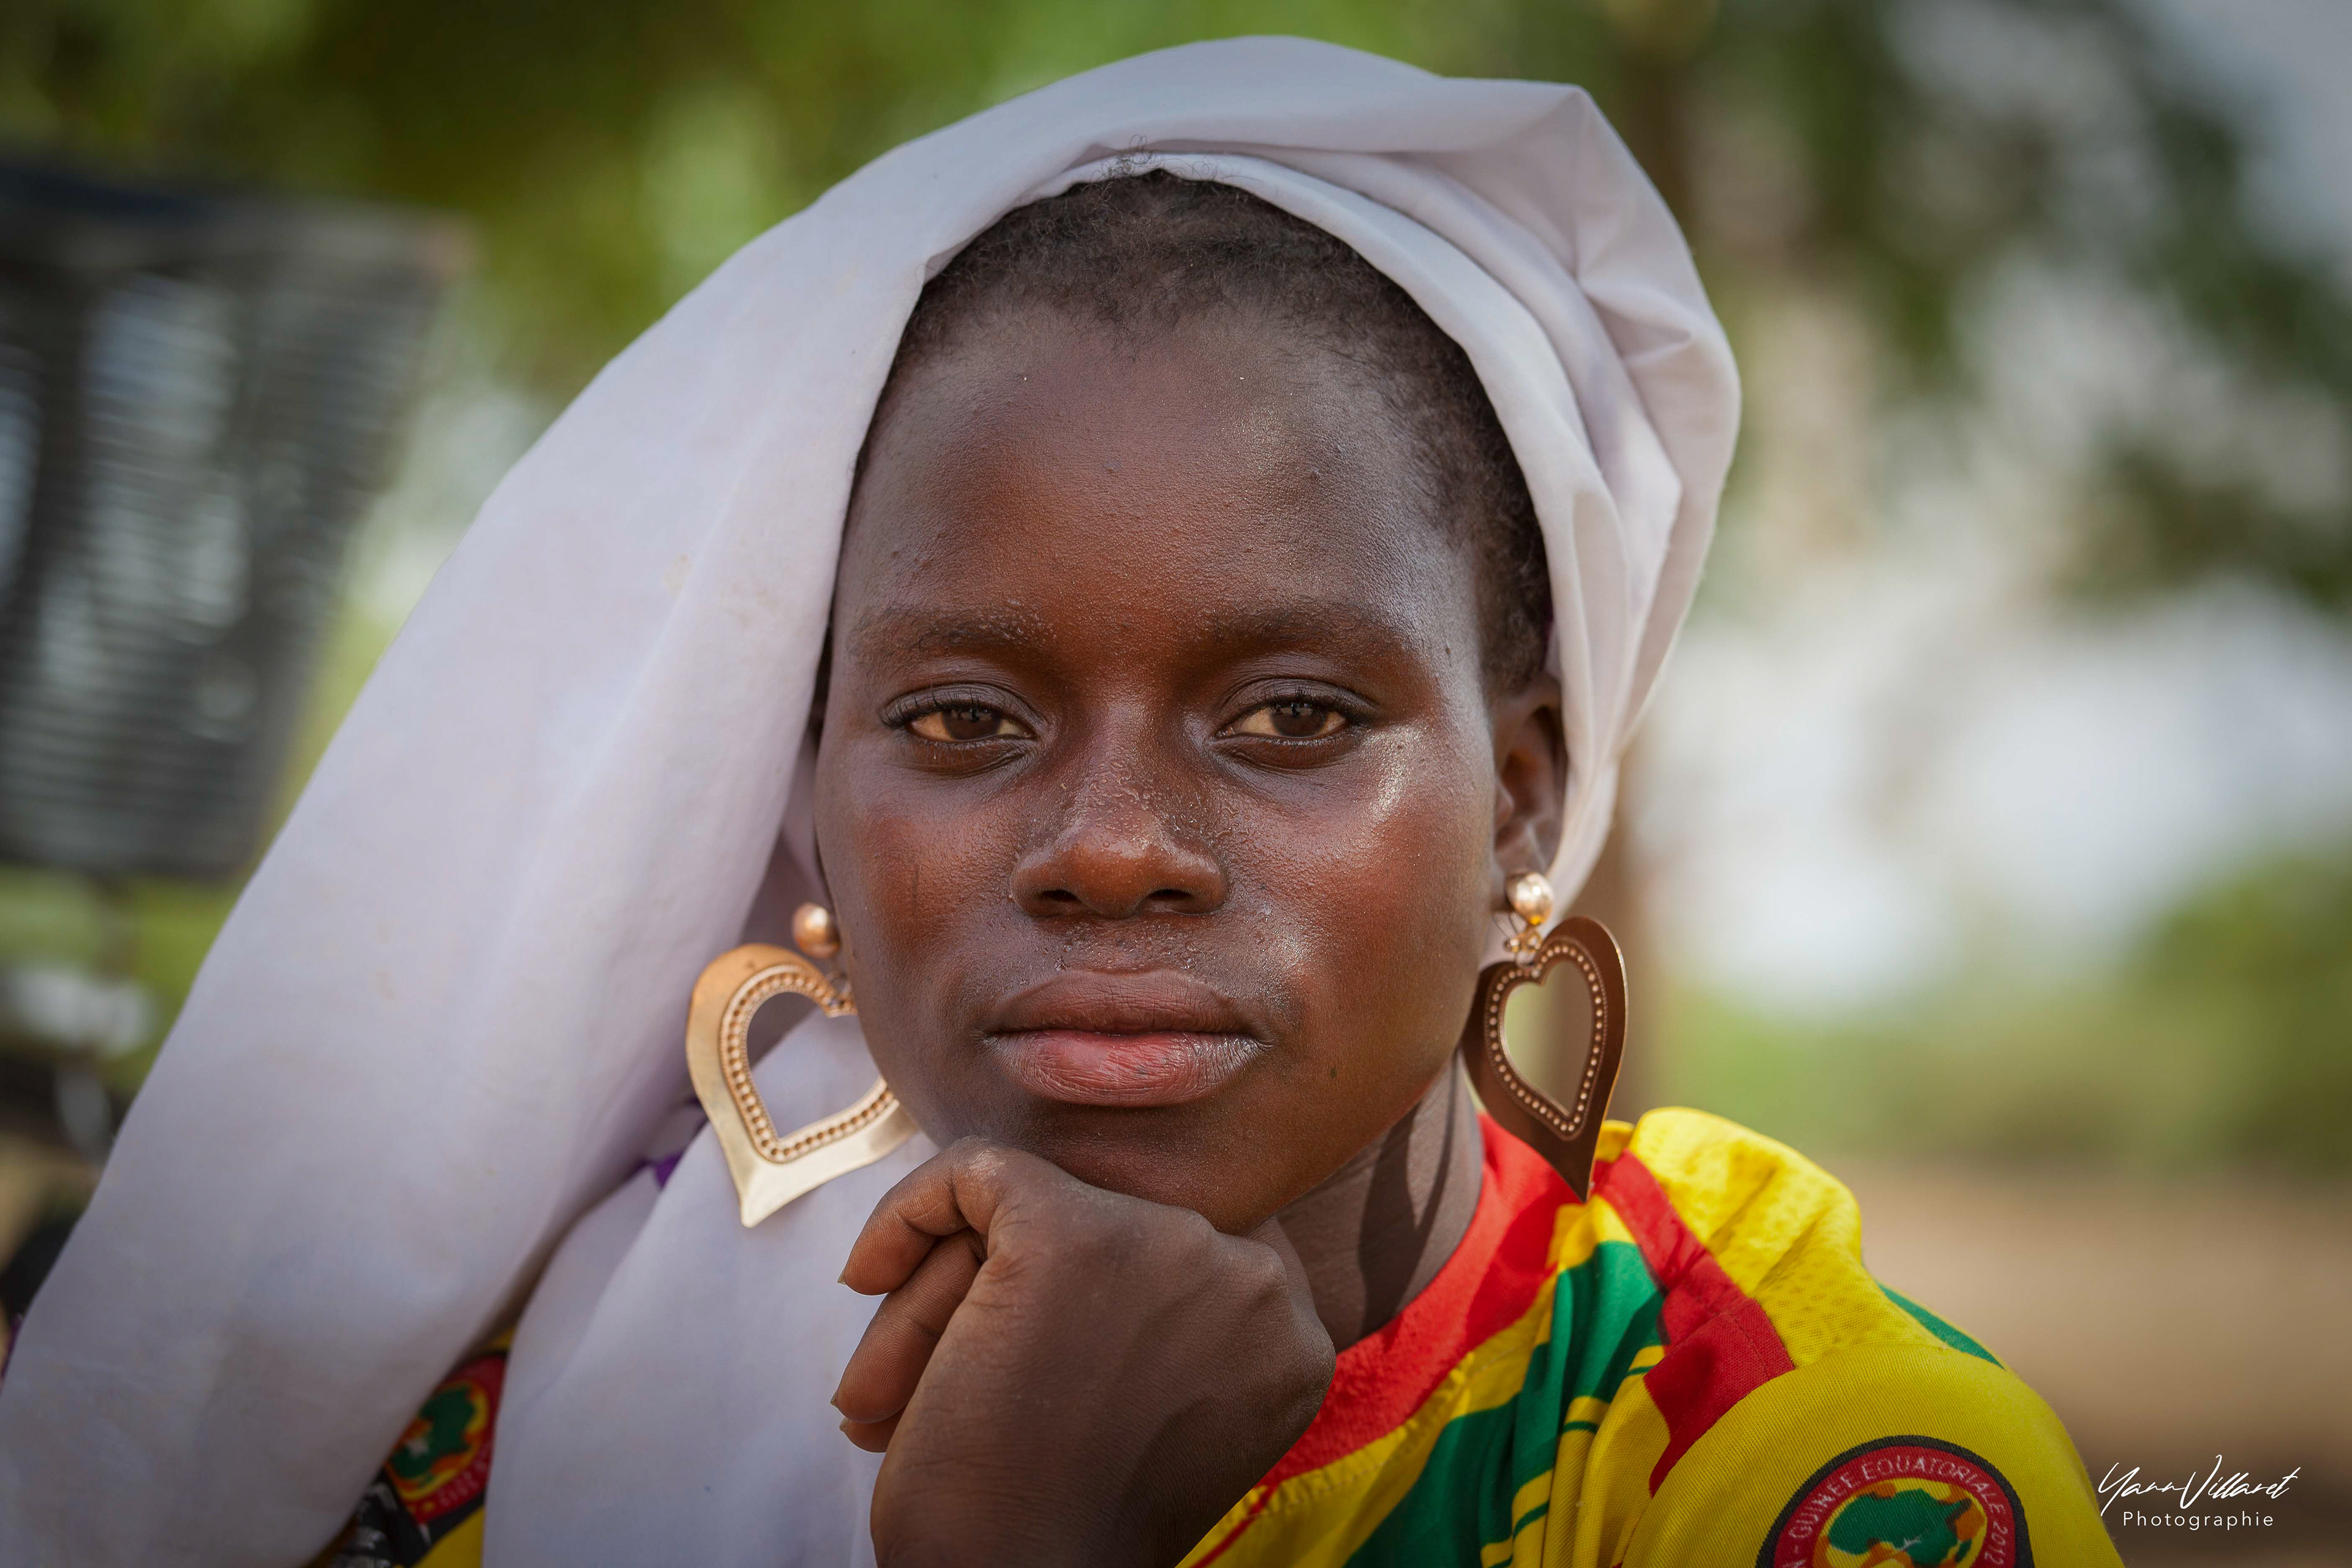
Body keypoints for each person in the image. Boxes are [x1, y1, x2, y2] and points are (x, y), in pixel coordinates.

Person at [0, 38, 2124, 1568]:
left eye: (1293, 717)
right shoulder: (498, 1415)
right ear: (808, 815)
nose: (1112, 844)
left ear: (1524, 795)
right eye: (960, 723)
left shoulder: (1790, 1465)